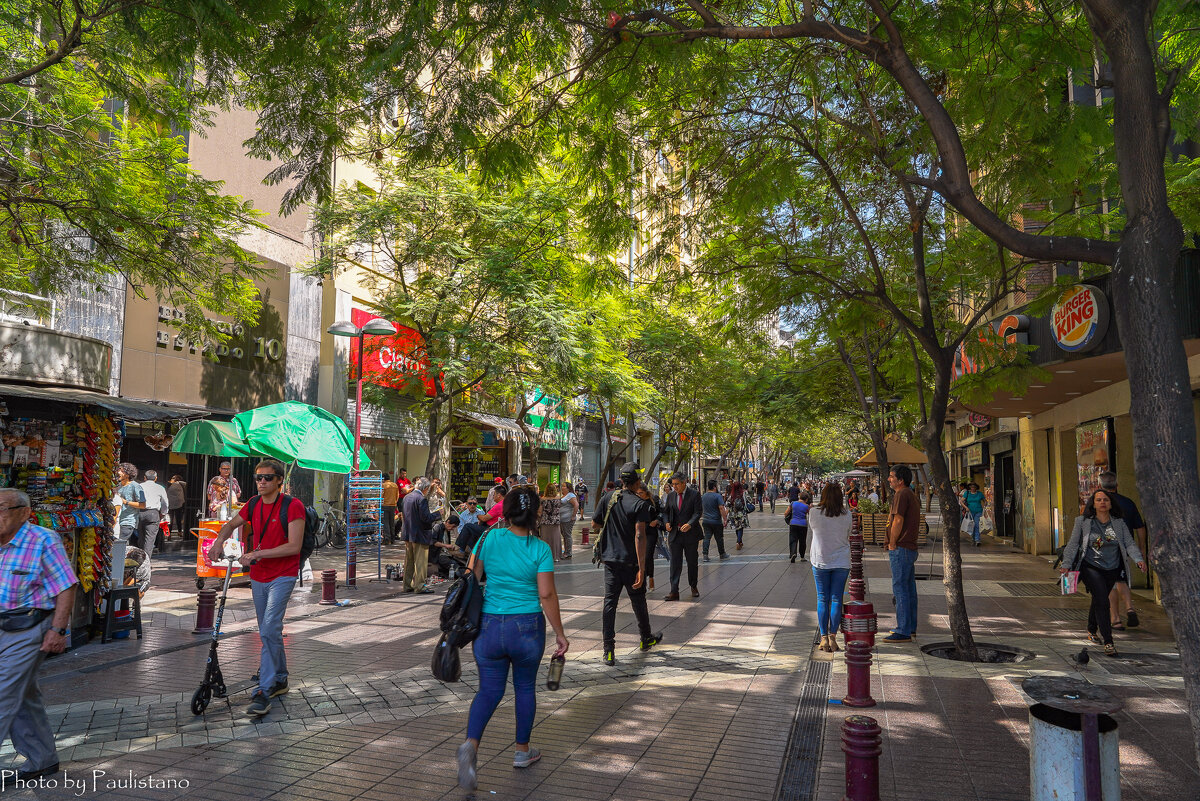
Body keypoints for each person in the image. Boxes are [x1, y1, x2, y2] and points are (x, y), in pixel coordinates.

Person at [456, 486, 570, 790]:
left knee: (488, 691)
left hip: (490, 626)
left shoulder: (488, 537)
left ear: (504, 511)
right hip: (527, 629)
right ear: (535, 514)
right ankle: (522, 751)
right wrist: (560, 634)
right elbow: (546, 594)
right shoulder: (541, 549)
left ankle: (471, 745)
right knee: (523, 688)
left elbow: (471, 577)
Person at [207, 459, 305, 716]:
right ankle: (281, 678)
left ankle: (264, 689)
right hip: (260, 576)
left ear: (279, 481)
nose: (261, 482)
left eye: (268, 478)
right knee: (268, 629)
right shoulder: (253, 504)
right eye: (258, 477)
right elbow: (230, 524)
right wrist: (218, 541)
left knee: (270, 626)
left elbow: (294, 546)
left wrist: (257, 554)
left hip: (283, 574)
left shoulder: (293, 506)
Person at [0, 488, 77, 781]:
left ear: (24, 512)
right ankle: (43, 759)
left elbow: (66, 585)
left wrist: (58, 630)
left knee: (3, 694)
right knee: (21, 695)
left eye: (2, 508)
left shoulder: (43, 539)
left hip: (28, 628)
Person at [592, 463, 663, 666]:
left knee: (609, 603)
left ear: (622, 480)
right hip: (631, 562)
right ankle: (645, 638)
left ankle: (609, 650)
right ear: (637, 481)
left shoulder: (608, 497)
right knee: (638, 602)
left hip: (610, 561)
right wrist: (642, 568)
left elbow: (595, 524)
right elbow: (640, 535)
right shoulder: (639, 504)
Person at [1060, 488, 1146, 657]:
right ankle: (1108, 641)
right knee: (1103, 601)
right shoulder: (1083, 522)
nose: (1102, 503)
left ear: (1110, 503)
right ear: (1093, 503)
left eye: (1105, 500)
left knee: (1098, 600)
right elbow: (1073, 544)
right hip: (1090, 567)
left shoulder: (1119, 523)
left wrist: (1139, 559)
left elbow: (1129, 543)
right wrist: (1066, 564)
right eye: (1098, 500)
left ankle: (1092, 629)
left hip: (1112, 568)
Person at [1097, 471, 1146, 631]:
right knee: (1122, 580)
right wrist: (1141, 549)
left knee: (1109, 584)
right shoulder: (1128, 503)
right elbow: (1139, 527)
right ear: (1116, 485)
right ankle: (1130, 608)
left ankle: (1116, 619)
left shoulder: (1098, 504)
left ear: (1100, 486)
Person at [809, 483, 851, 653]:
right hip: (841, 561)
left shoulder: (813, 513)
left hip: (820, 560)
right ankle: (833, 637)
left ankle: (824, 637)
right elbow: (848, 534)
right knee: (836, 599)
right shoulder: (847, 514)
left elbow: (813, 530)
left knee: (822, 598)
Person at [883, 466, 920, 643]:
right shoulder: (908, 494)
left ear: (901, 480)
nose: (889, 479)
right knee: (908, 588)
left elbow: (898, 519)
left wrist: (892, 543)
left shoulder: (902, 494)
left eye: (892, 477)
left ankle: (903, 629)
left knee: (901, 589)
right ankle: (910, 627)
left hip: (901, 548)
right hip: (908, 548)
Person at [662, 473, 703, 600]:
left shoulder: (694, 494)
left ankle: (693, 585)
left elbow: (698, 512)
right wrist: (666, 522)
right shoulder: (671, 496)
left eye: (677, 484)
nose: (674, 487)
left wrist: (690, 524)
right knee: (675, 563)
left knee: (692, 561)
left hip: (690, 534)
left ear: (684, 482)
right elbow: (666, 512)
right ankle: (674, 590)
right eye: (673, 484)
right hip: (675, 534)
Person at [401, 477, 442, 594]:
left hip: (408, 533)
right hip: (420, 534)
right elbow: (426, 518)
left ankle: (407, 584)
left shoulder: (407, 497)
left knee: (409, 560)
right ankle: (420, 586)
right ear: (426, 488)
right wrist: (438, 514)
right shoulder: (421, 499)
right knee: (420, 562)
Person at [634, 483, 664, 592]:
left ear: (646, 492)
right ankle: (642, 579)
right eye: (637, 493)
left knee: (648, 555)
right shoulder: (636, 501)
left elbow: (662, 512)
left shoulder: (654, 500)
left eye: (641, 493)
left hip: (651, 531)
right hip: (639, 531)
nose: (639, 495)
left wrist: (657, 520)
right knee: (639, 556)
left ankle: (650, 578)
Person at [137, 470, 170, 558]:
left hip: (139, 512)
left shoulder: (139, 486)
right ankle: (146, 562)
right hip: (153, 514)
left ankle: (139, 559)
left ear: (144, 478)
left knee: (141, 538)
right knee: (150, 540)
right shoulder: (160, 488)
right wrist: (163, 514)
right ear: (156, 478)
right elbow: (165, 503)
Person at [114, 463, 146, 541]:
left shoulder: (137, 486)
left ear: (128, 474)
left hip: (128, 522)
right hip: (117, 521)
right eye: (118, 470)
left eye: (121, 470)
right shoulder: (118, 486)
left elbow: (143, 504)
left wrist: (126, 502)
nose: (118, 472)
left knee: (119, 545)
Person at [700, 479, 730, 562]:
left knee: (706, 538)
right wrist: (725, 519)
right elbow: (721, 508)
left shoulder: (704, 496)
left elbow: (701, 508)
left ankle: (705, 555)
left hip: (706, 521)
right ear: (714, 487)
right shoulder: (717, 496)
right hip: (716, 521)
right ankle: (722, 554)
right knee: (719, 538)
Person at [537, 484, 562, 561]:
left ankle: (546, 557)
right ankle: (556, 556)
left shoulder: (542, 499)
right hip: (555, 521)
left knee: (545, 539)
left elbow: (540, 512)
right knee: (555, 539)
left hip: (545, 521)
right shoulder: (559, 499)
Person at [786, 490, 811, 563]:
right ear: (806, 499)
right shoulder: (807, 506)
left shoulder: (793, 503)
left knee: (793, 540)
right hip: (803, 525)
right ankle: (802, 557)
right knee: (802, 541)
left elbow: (786, 513)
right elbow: (811, 515)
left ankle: (793, 553)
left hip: (793, 523)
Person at [558, 482, 578, 559]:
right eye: (562, 486)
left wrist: (573, 516)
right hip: (562, 519)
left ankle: (568, 552)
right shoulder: (564, 495)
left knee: (567, 535)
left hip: (568, 519)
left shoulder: (571, 495)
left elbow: (576, 505)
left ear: (568, 488)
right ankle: (566, 551)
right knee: (564, 535)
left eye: (563, 486)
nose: (562, 487)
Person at [381, 473, 400, 545]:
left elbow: (380, 496)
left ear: (383, 479)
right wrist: (394, 502)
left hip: (385, 505)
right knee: (391, 522)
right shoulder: (395, 485)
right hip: (393, 505)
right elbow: (397, 496)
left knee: (385, 523)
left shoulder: (383, 485)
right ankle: (392, 539)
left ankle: (387, 539)